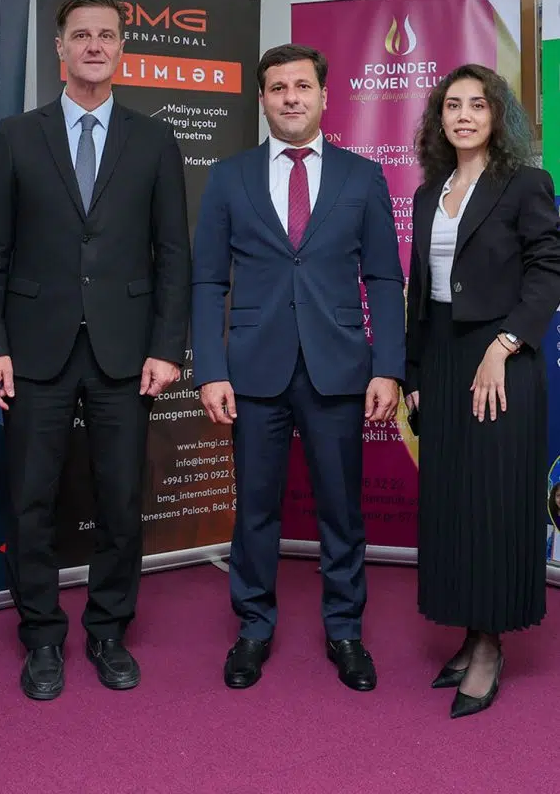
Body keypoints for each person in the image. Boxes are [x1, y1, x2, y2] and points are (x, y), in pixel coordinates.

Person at [0, 0, 191, 700]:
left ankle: (107, 630)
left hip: (126, 352)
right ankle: (41, 635)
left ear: (122, 48)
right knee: (29, 501)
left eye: (106, 35)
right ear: (59, 48)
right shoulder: (17, 136)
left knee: (121, 501)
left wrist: (167, 347)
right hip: (34, 349)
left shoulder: (153, 140)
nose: (94, 45)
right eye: (81, 35)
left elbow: (173, 254)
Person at [192, 43, 405, 692]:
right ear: (262, 99)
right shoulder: (228, 177)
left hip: (338, 368)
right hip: (252, 371)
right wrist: (210, 369)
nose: (291, 98)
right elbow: (207, 281)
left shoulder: (361, 177)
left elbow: (383, 278)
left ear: (323, 96)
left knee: (341, 510)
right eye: (278, 88)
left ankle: (345, 630)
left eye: (302, 86)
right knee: (255, 509)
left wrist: (387, 367)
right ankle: (253, 628)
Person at [405, 64, 560, 719]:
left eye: (476, 104)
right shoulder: (427, 192)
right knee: (454, 502)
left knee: (494, 501)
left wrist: (505, 345)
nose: (463, 115)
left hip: (501, 357)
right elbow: (420, 293)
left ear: (497, 116)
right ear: (438, 119)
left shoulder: (524, 183)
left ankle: (491, 645)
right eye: (451, 105)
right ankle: (470, 631)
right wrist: (415, 373)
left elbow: (548, 270)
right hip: (441, 359)